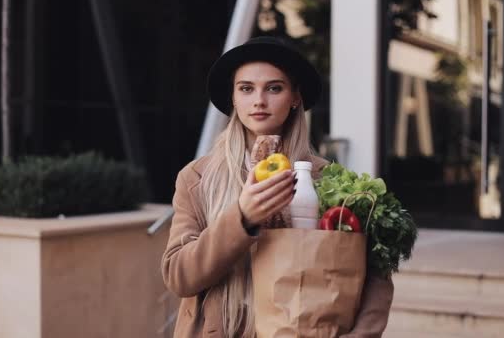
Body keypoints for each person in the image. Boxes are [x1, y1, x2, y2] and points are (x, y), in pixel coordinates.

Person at [161, 36, 393, 338]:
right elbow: (179, 276)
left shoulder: (331, 181)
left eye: (274, 88)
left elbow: (377, 275)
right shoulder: (197, 178)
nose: (259, 100)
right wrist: (241, 218)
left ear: (295, 97)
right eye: (246, 88)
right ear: (233, 98)